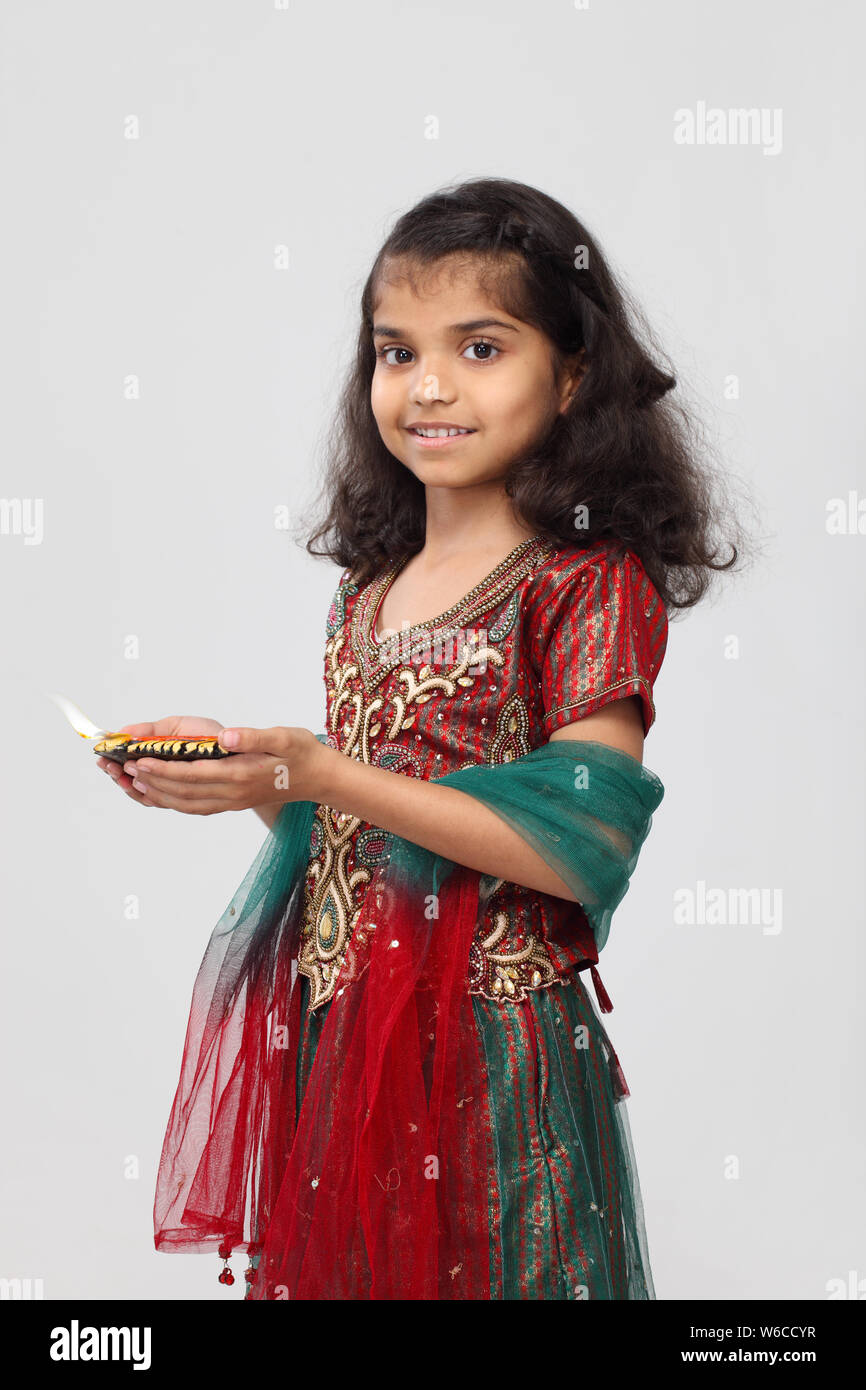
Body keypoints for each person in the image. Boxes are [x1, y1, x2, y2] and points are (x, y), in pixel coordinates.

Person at [98, 177, 745, 1300]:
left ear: (572, 373)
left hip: (491, 1056)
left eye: (480, 347)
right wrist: (256, 773)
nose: (428, 385)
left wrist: (317, 767)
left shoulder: (584, 582)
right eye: (395, 352)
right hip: (347, 1031)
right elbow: (365, 820)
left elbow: (579, 838)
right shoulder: (370, 587)